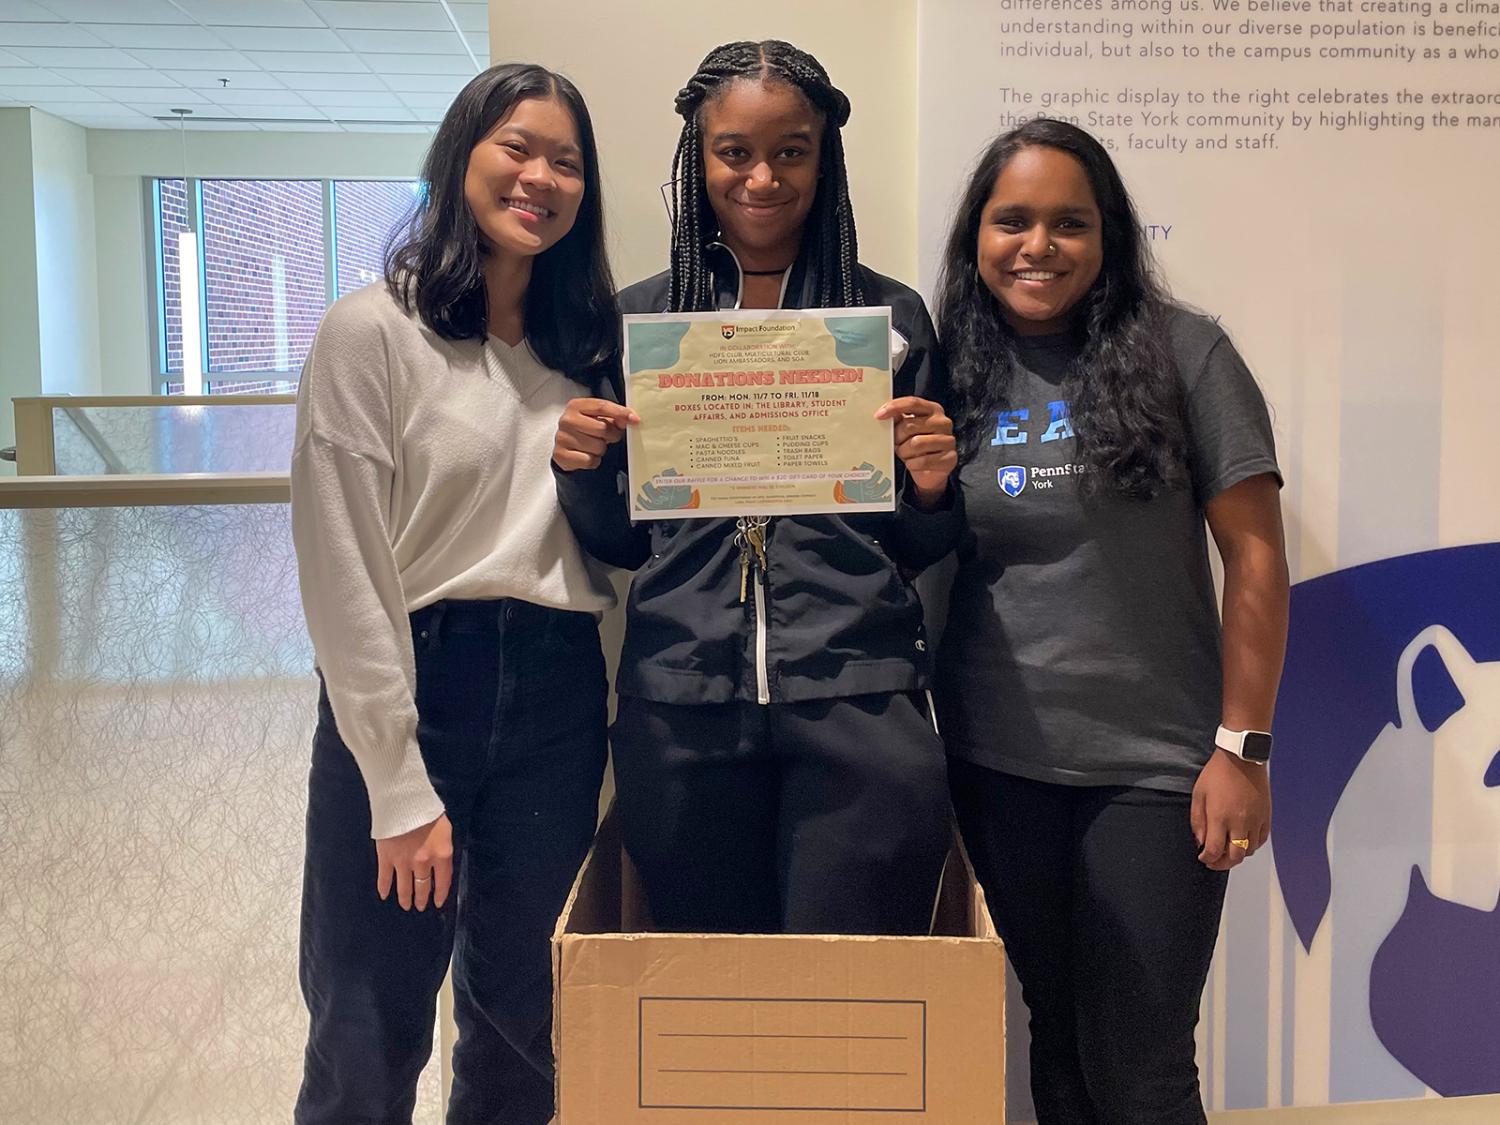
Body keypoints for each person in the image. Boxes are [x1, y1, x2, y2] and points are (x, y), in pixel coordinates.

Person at [551, 40, 960, 936]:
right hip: (681, 709)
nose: (763, 177)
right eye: (735, 151)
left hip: (861, 701)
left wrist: (933, 488)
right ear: (699, 160)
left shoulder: (888, 320)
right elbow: (623, 544)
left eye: (791, 150)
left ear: (825, 158)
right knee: (714, 1012)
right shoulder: (641, 320)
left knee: (851, 1018)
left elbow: (924, 547)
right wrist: (579, 470)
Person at [934, 117, 1289, 1125]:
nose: (1037, 245)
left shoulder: (1188, 352)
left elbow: (1256, 557)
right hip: (998, 762)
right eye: (1012, 221)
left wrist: (1243, 750)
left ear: (1109, 237)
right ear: (976, 238)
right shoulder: (946, 368)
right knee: (1057, 1035)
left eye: (1068, 224)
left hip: (1157, 768)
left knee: (1140, 1063)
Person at [289, 63, 618, 1125]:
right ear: (462, 155)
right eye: (517, 148)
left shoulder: (596, 350)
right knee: (368, 1023)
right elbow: (343, 567)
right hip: (416, 685)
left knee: (528, 1023)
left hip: (560, 699)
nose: (541, 178)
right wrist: (394, 781)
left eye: (566, 162)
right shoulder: (371, 333)